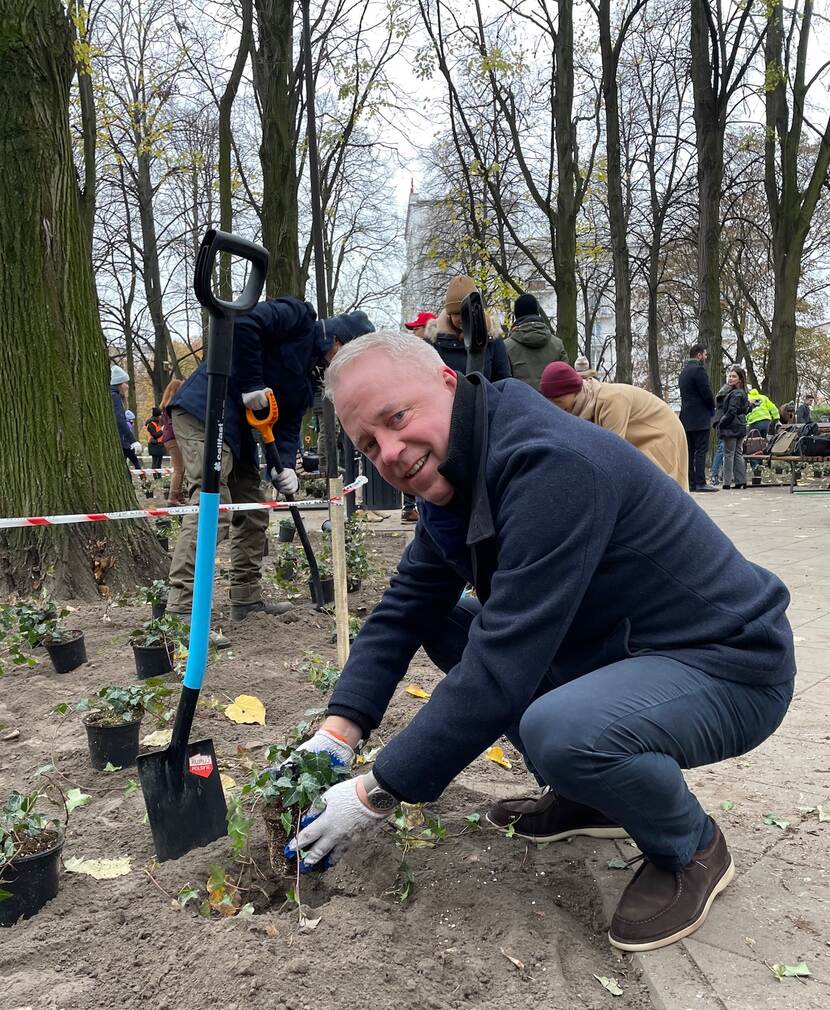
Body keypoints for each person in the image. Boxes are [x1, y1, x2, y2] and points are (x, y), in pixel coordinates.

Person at [281, 330, 794, 955]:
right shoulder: (459, 463)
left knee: (564, 729)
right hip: (629, 647)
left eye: (397, 418)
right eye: (369, 443)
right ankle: (590, 798)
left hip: (729, 663)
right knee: (445, 618)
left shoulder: (551, 464)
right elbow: (404, 609)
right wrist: (337, 734)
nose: (390, 452)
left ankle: (690, 848)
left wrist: (377, 790)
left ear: (447, 382)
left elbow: (502, 664)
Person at [166, 297, 374, 627]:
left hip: (239, 429)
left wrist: (286, 465)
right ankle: (182, 611)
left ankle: (245, 600)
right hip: (204, 409)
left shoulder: (309, 380)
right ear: (337, 341)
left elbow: (289, 423)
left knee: (252, 509)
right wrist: (250, 384)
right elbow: (242, 324)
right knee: (213, 507)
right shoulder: (297, 318)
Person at [539, 362, 688, 488]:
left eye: (557, 401)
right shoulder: (584, 405)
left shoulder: (611, 400)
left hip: (661, 433)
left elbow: (612, 454)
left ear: (572, 390)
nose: (554, 407)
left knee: (654, 491)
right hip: (638, 440)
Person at [425, 276, 511, 381]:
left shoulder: (493, 340)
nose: (462, 318)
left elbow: (504, 380)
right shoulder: (433, 343)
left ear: (476, 311)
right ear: (449, 315)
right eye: (457, 313)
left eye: (467, 313)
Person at [400, 311, 438, 521]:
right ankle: (410, 507)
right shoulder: (412, 354)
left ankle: (416, 506)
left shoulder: (432, 352)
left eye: (416, 328)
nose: (413, 333)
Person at [503, 293, 568, 391]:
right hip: (552, 404)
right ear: (537, 313)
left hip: (520, 404)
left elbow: (502, 385)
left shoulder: (506, 347)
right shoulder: (557, 344)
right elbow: (566, 381)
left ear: (517, 315)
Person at [678, 344, 717, 492]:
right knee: (701, 450)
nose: (706, 358)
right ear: (699, 355)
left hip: (686, 418)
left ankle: (691, 482)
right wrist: (711, 407)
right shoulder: (699, 370)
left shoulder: (684, 373)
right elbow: (706, 392)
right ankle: (701, 482)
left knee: (690, 451)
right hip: (700, 418)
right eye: (705, 355)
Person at [715, 366, 750, 490]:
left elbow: (731, 411)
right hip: (740, 425)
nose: (730, 378)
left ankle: (726, 482)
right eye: (729, 376)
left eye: (734, 376)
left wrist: (721, 423)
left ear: (740, 379)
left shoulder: (735, 393)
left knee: (729, 453)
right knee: (737, 453)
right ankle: (741, 481)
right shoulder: (742, 393)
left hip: (732, 426)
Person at [109, 364, 143, 471]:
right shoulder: (115, 397)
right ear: (119, 383)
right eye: (125, 383)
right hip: (120, 443)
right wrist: (132, 440)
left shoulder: (113, 395)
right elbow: (119, 420)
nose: (127, 386)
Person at [160, 378, 185, 506]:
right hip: (174, 438)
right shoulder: (172, 406)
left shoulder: (165, 405)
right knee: (179, 468)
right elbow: (175, 424)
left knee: (181, 467)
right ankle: (173, 497)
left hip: (169, 438)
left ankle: (179, 495)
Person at [144, 407, 165, 479]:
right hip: (154, 445)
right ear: (157, 416)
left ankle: (159, 477)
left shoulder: (157, 423)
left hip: (159, 445)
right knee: (155, 462)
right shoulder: (151, 424)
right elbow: (155, 435)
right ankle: (155, 477)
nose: (161, 417)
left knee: (159, 463)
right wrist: (162, 430)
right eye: (160, 415)